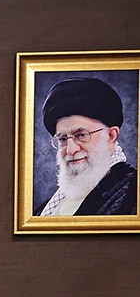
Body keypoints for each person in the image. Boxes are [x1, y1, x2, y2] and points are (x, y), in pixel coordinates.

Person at [37, 77, 137, 217]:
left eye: (81, 135)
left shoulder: (132, 192)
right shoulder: (51, 204)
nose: (70, 149)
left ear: (111, 136)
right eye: (63, 139)